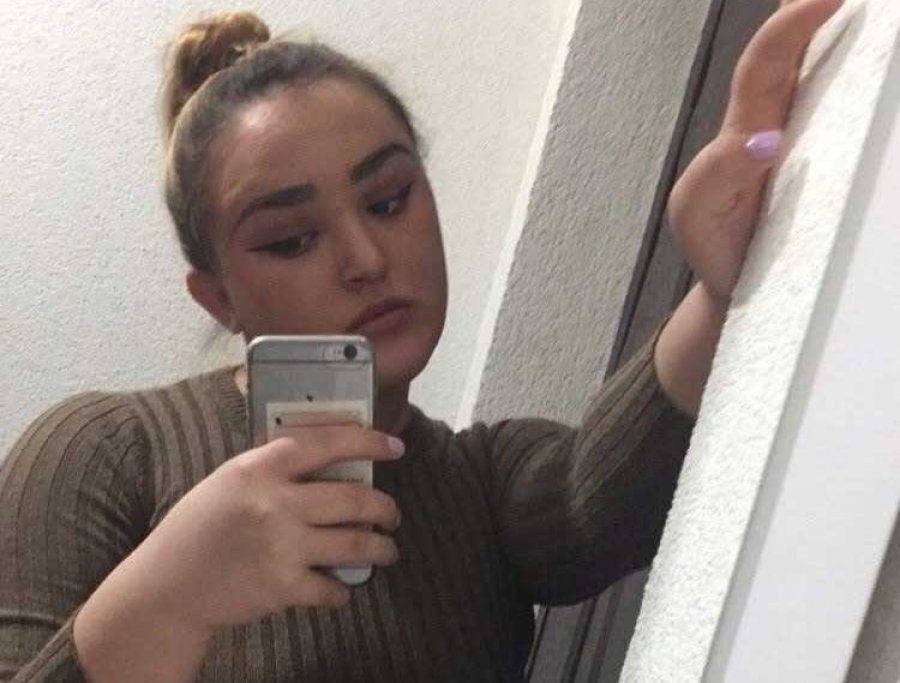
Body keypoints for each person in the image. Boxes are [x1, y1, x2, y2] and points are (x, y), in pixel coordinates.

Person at [0, 1, 842, 681]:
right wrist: (167, 600)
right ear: (219, 296)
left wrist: (722, 284)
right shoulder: (102, 454)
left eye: (389, 199)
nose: (367, 258)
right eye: (292, 239)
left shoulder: (483, 485)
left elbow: (596, 495)